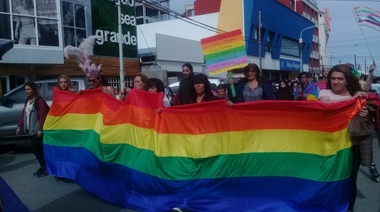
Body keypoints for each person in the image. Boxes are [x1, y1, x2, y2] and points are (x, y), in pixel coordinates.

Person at [318, 64, 370, 211]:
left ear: (347, 81)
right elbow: (326, 105)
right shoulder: (324, 92)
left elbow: (366, 122)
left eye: (340, 78)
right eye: (333, 78)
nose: (336, 81)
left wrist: (365, 116)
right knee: (328, 178)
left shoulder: (357, 96)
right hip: (328, 146)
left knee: (349, 180)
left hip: (351, 146)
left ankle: (348, 208)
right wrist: (352, 100)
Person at [16, 82, 50, 177]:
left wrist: (40, 129)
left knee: (35, 148)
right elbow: (23, 114)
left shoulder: (40, 101)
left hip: (37, 130)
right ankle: (43, 166)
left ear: (34, 90)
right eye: (25, 89)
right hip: (31, 130)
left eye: (28, 89)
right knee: (37, 149)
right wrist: (19, 126)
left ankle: (44, 167)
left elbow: (43, 116)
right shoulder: (28, 101)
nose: (26, 91)